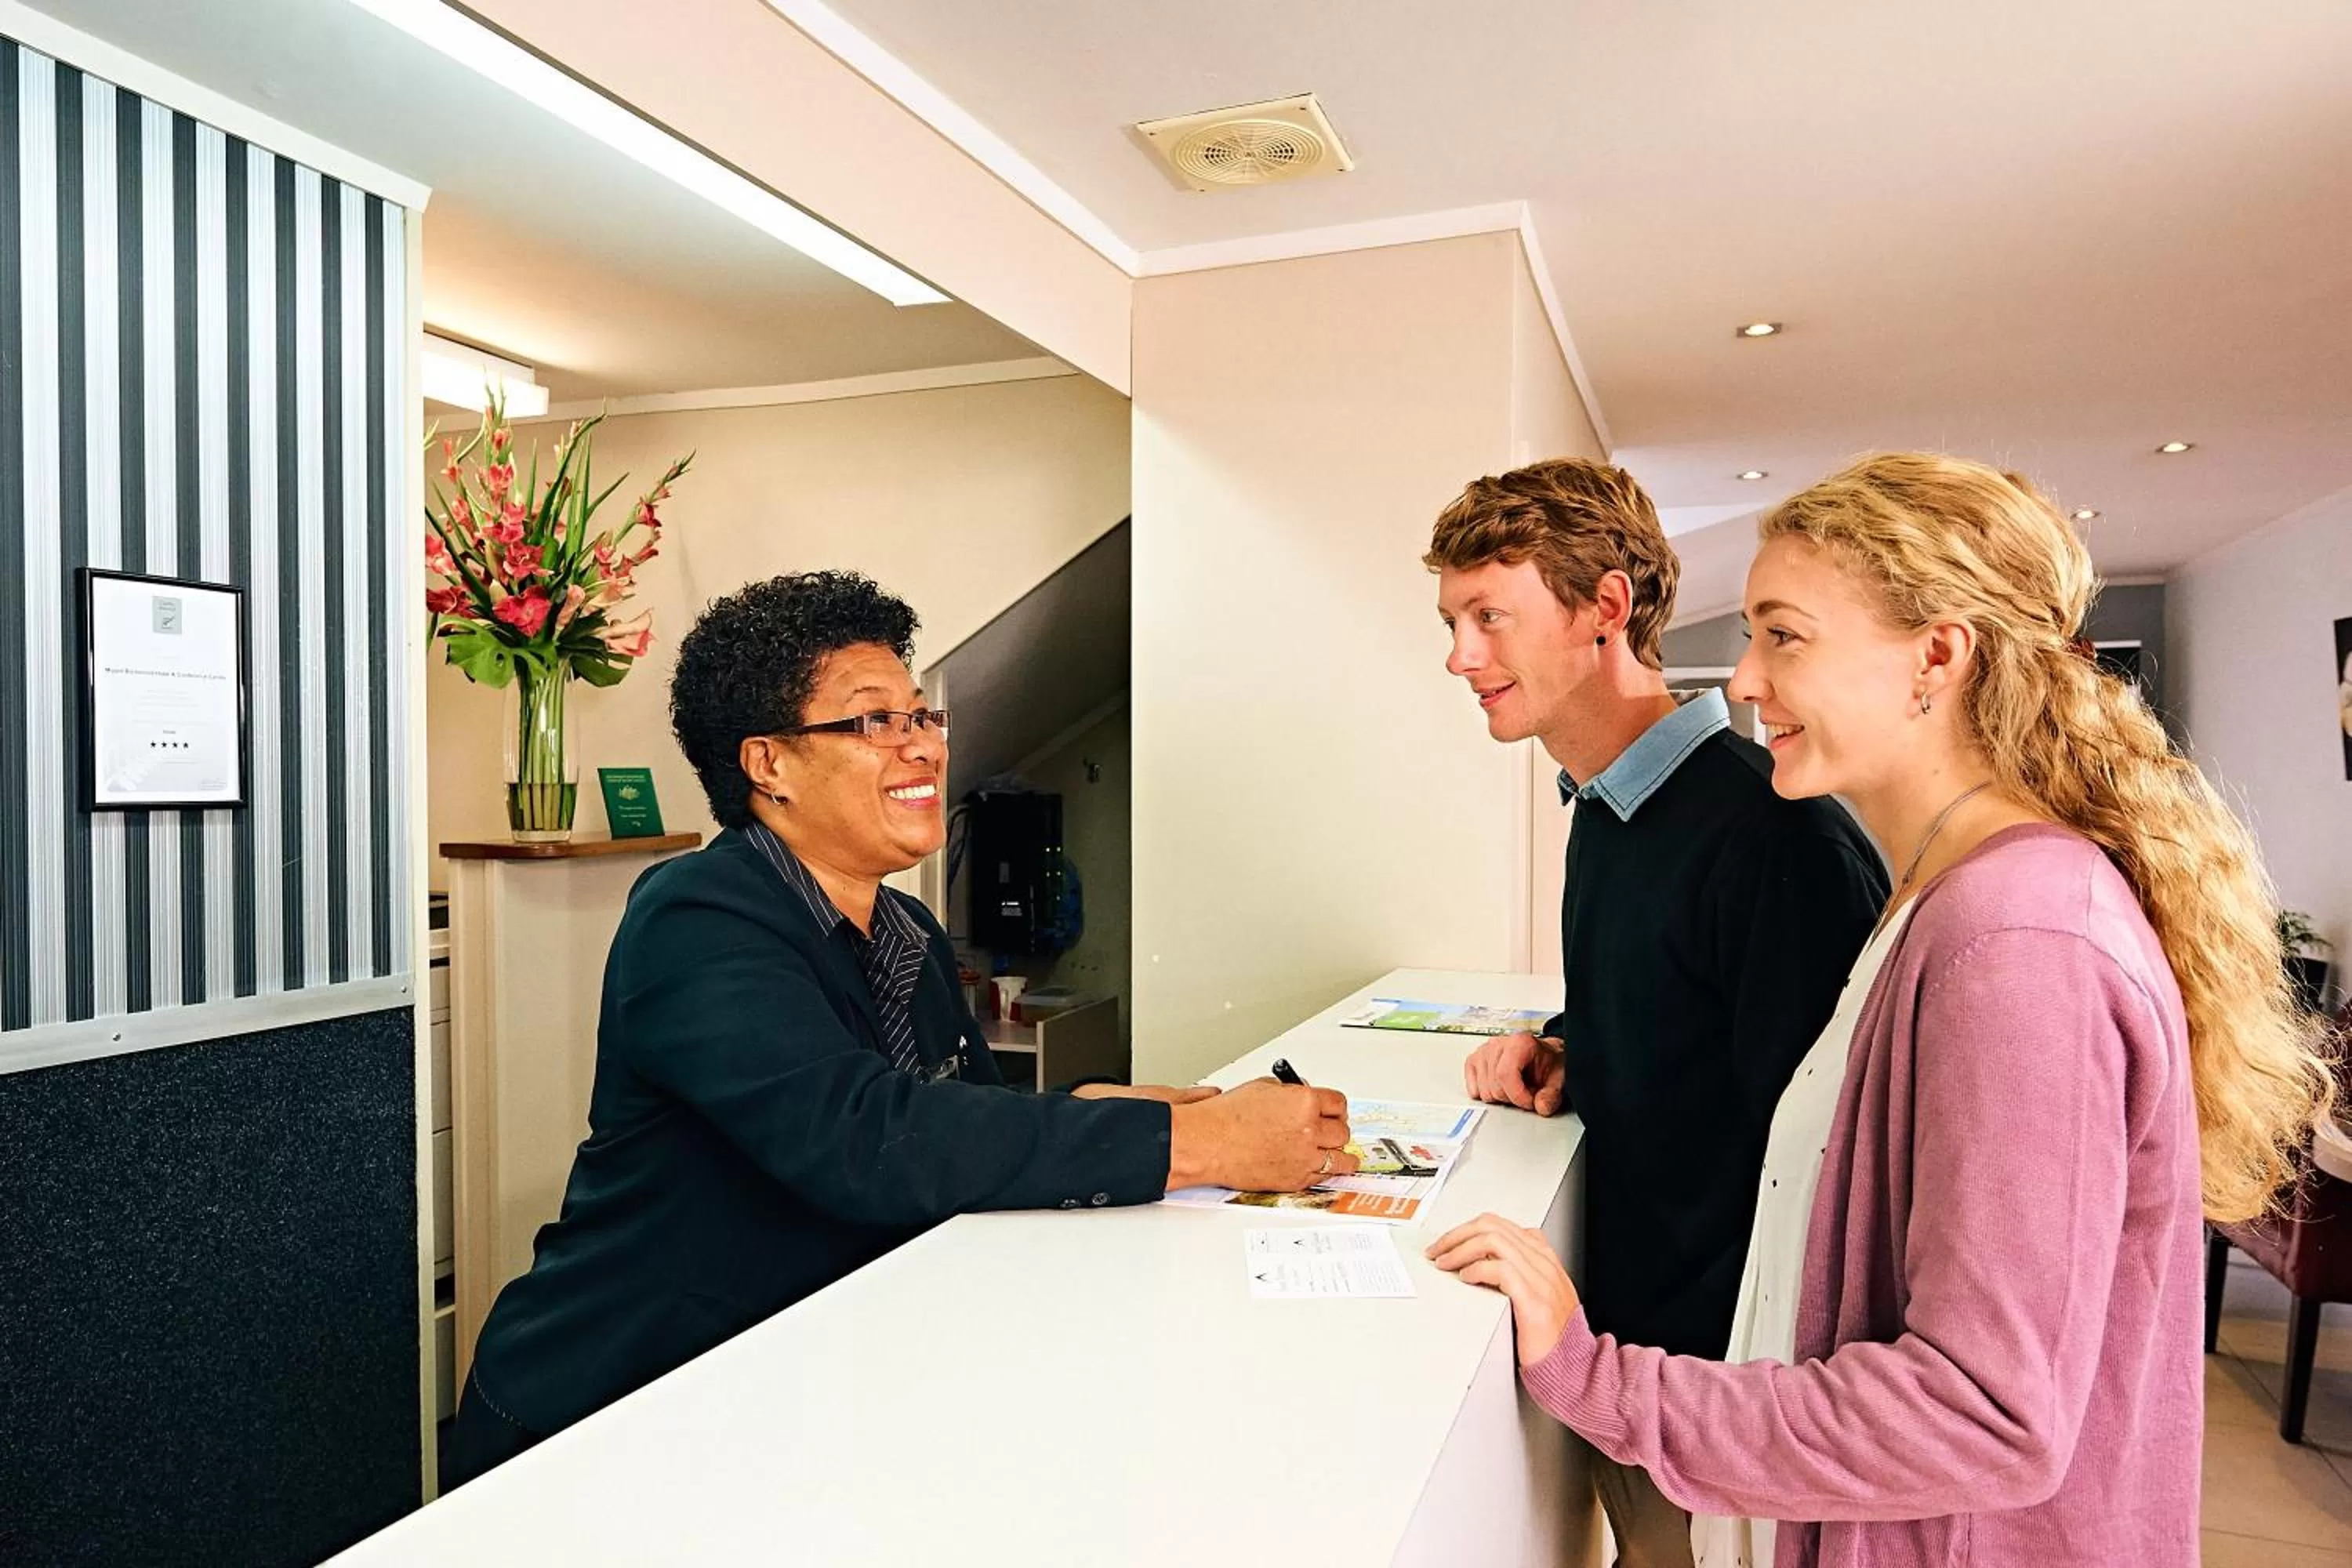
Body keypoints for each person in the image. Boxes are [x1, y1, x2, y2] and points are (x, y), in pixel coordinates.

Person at [1431, 453, 2331, 1566]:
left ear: (1937, 657)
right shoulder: (1950, 898)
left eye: (1783, 635)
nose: (1745, 682)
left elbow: (1983, 1409)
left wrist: (1598, 1375)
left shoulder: (2018, 939)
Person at [446, 570, 1355, 1483]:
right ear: (769, 764)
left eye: (923, 717)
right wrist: (1192, 1141)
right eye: (875, 720)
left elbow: (958, 1115)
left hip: (790, 1394)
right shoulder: (697, 915)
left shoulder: (908, 927)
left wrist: (1100, 1099)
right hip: (609, 1416)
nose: (920, 746)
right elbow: (866, 1137)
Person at [1426, 459, 1888, 1566]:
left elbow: (1824, 1169)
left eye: (1491, 616)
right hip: (1634, 1364)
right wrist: (1573, 1053)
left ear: (1606, 609)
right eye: (1452, 621)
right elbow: (1696, 1031)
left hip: (1717, 1403)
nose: (1459, 657)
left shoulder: (1777, 837)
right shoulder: (1605, 807)